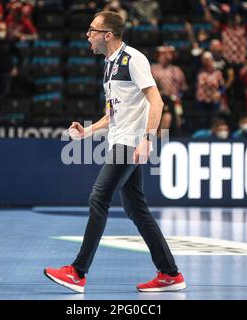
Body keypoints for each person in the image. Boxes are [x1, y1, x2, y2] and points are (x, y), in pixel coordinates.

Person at [44, 11, 186, 293]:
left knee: (99, 197)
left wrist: (148, 140)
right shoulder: (108, 65)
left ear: (107, 35)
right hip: (120, 138)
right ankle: (170, 274)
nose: (87, 35)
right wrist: (87, 131)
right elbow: (113, 116)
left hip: (131, 143)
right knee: (136, 208)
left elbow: (156, 102)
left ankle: (77, 271)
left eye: (92, 30)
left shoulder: (133, 59)